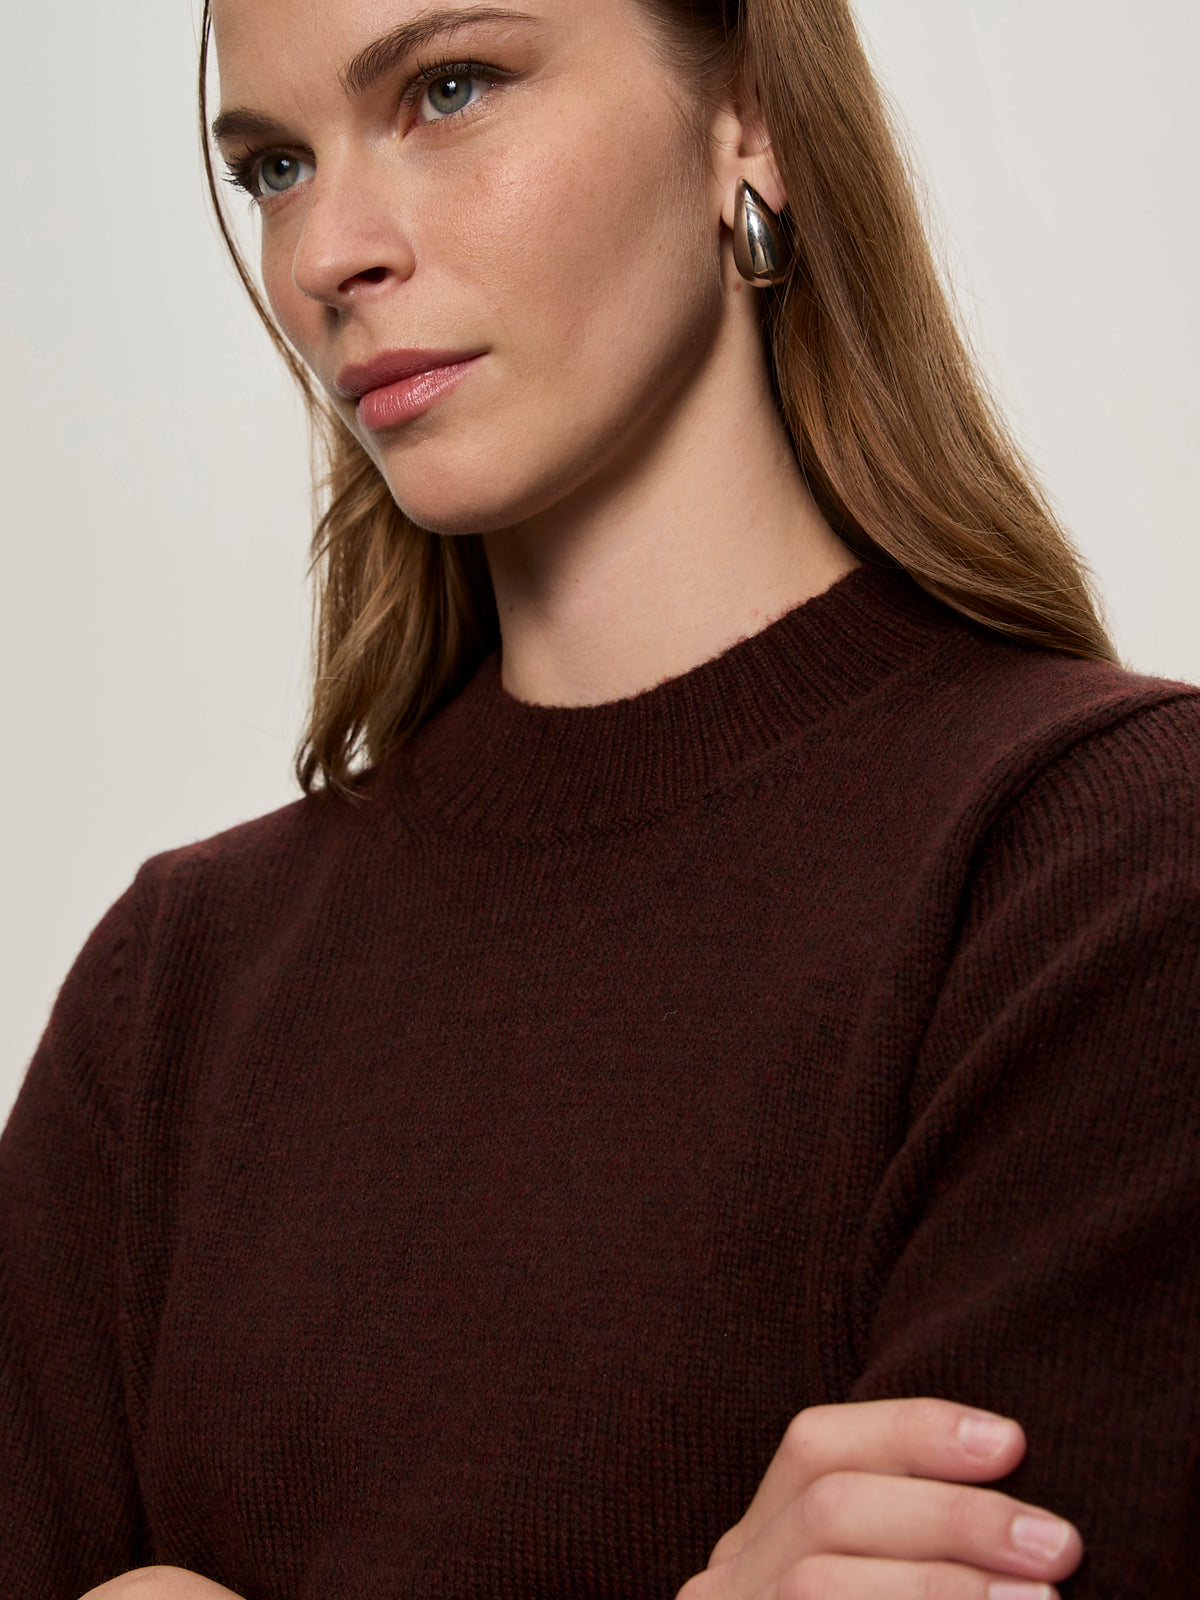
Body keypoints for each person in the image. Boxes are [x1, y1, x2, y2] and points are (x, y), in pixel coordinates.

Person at [2, 0, 1197, 1596]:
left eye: (448, 89)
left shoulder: (1103, 868)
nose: (325, 256)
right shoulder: (177, 991)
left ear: (750, 115)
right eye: (274, 165)